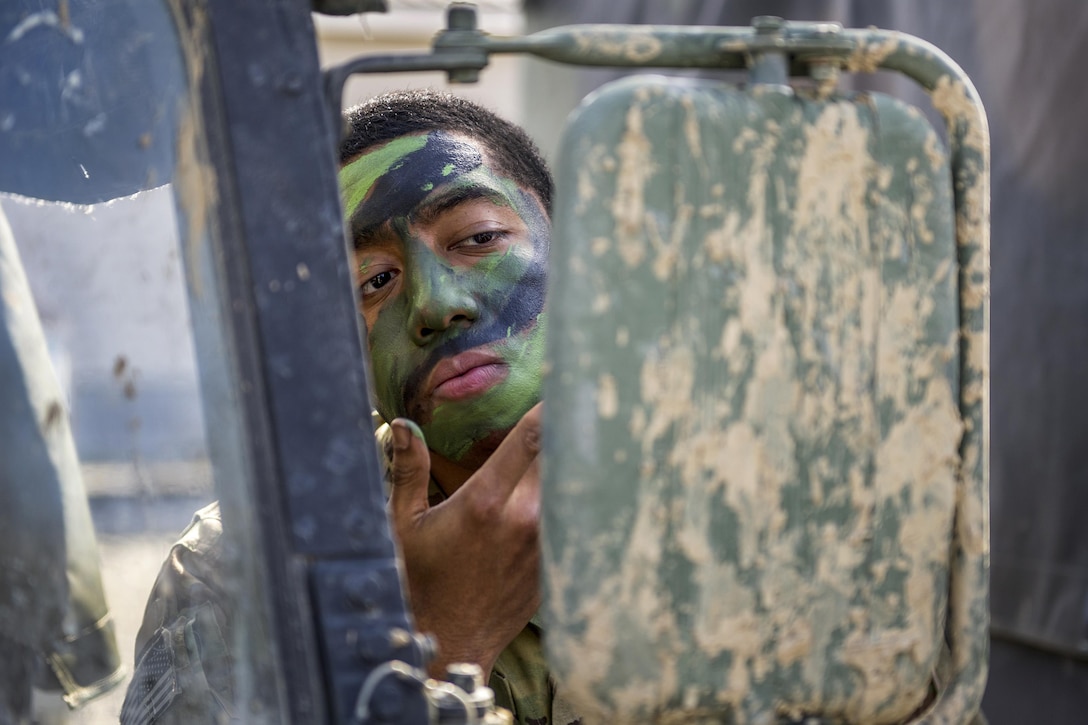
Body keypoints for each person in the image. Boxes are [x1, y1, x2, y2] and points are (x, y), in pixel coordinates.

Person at [121, 90, 571, 725]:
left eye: (478, 237)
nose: (435, 305)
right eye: (374, 281)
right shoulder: (243, 573)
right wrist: (439, 652)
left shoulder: (734, 481)